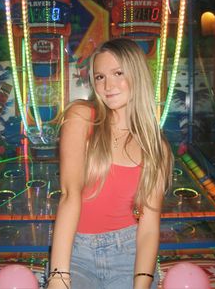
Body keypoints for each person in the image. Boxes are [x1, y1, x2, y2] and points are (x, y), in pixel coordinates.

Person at [46, 38, 173, 289]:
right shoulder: (82, 117)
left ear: (136, 74)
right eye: (100, 77)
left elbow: (148, 227)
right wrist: (59, 276)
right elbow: (70, 195)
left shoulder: (157, 146)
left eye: (117, 73)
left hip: (128, 253)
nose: (108, 85)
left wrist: (142, 284)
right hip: (77, 250)